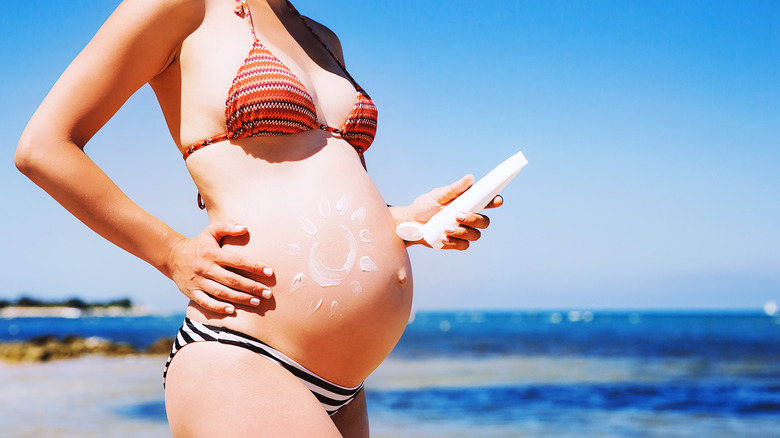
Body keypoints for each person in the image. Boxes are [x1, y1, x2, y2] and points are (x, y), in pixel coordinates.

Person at [15, 0, 502, 436]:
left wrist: (409, 221)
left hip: (344, 388)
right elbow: (43, 147)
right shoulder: (178, 7)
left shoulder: (321, 38)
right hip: (240, 353)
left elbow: (322, 201)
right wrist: (170, 251)